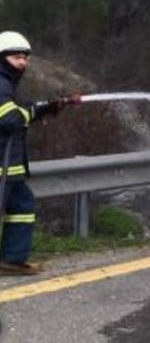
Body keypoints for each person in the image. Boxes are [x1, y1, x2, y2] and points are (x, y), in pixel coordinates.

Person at [0, 31, 78, 275]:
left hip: (9, 167)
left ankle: (12, 259)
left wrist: (51, 107)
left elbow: (20, 111)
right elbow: (9, 118)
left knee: (22, 206)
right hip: (2, 167)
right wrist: (33, 112)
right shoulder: (1, 84)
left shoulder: (8, 84)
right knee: (21, 205)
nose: (22, 63)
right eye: (16, 58)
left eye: (25, 58)